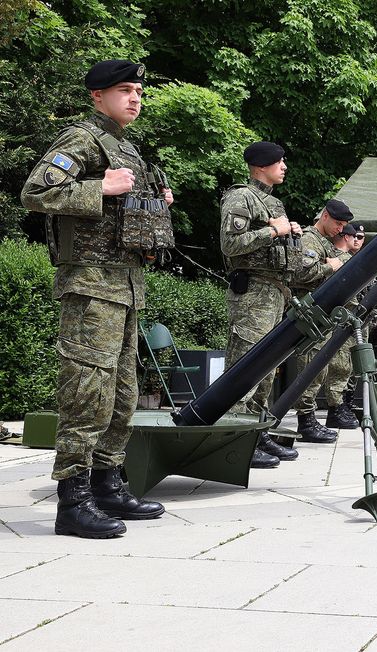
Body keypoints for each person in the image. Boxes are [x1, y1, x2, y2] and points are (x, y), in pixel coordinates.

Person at [21, 60, 171, 538]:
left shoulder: (126, 147)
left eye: (138, 91)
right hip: (90, 286)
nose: (135, 98)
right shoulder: (82, 139)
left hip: (124, 285)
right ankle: (73, 500)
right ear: (97, 96)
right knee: (88, 392)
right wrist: (98, 186)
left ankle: (108, 485)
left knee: (122, 395)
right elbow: (36, 192)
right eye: (124, 90)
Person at [221, 140, 305, 468]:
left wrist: (288, 232)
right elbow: (231, 244)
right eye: (278, 162)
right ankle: (236, 437)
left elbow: (277, 237)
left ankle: (257, 431)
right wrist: (272, 232)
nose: (284, 166)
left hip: (274, 291)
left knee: (267, 367)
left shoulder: (273, 202)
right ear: (260, 167)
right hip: (252, 292)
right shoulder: (241, 196)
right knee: (245, 365)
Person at [289, 201, 352, 441]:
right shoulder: (310, 239)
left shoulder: (324, 243)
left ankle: (309, 419)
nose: (340, 229)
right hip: (307, 316)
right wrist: (330, 267)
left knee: (318, 369)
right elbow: (302, 273)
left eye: (343, 225)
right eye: (338, 223)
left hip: (318, 317)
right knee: (310, 368)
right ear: (324, 216)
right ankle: (305, 422)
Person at [322, 222, 362, 429]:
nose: (357, 240)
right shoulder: (338, 259)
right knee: (340, 366)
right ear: (346, 237)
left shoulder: (350, 259)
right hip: (342, 319)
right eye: (354, 236)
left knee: (349, 366)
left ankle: (343, 404)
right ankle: (336, 409)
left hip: (351, 319)